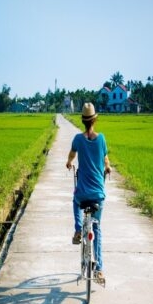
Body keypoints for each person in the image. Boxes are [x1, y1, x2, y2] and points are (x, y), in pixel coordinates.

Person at [65, 102, 111, 280]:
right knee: (97, 229)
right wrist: (107, 168)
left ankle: (78, 229)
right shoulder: (102, 139)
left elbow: (71, 155)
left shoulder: (77, 139)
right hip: (98, 194)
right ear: (95, 120)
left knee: (76, 202)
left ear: (83, 120)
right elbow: (106, 159)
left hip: (83, 193)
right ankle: (99, 269)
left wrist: (69, 163)